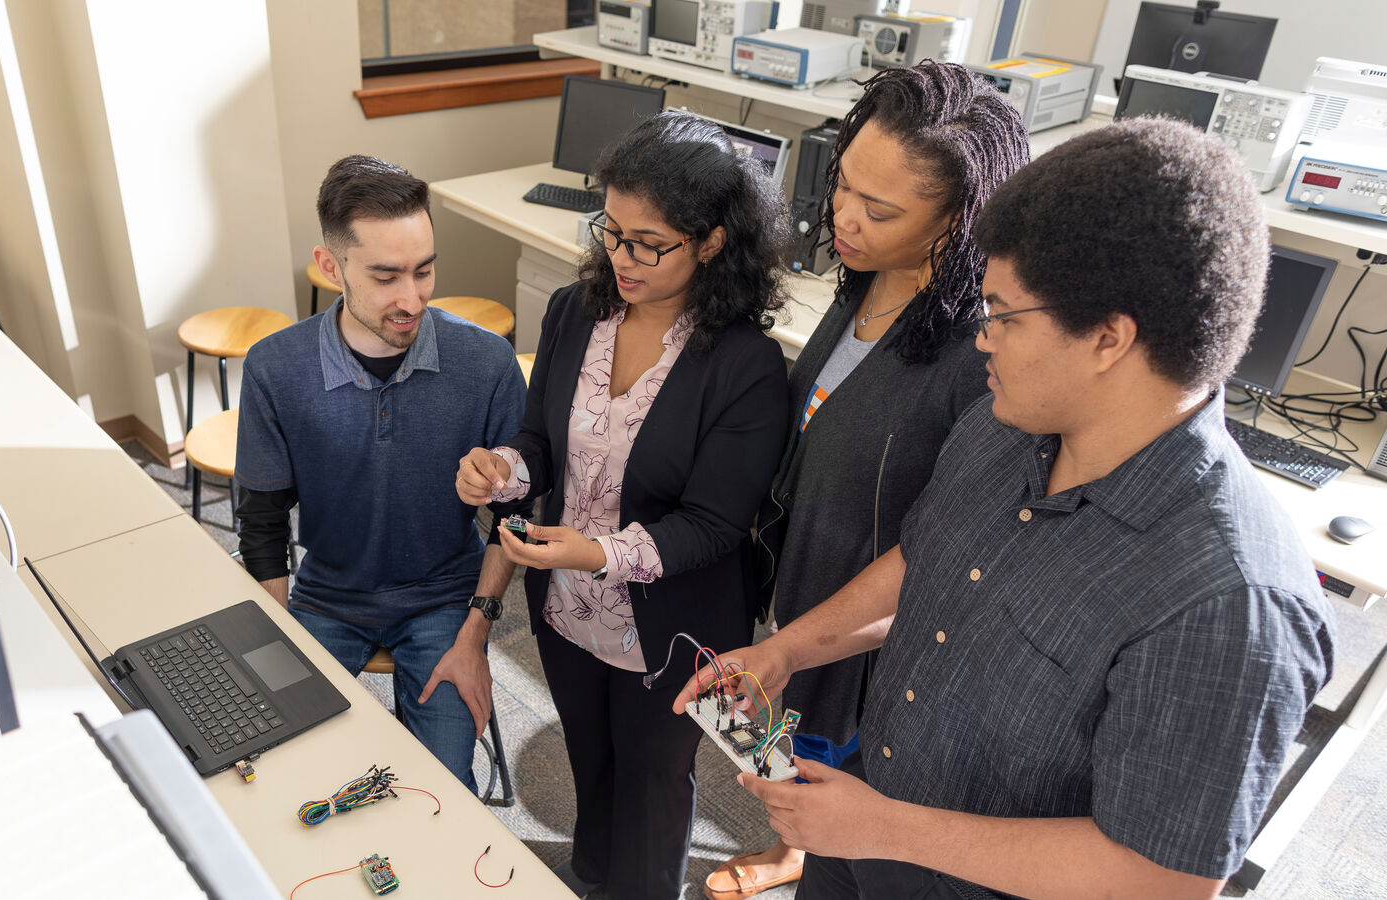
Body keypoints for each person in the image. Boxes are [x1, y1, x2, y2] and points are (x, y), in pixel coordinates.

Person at [676, 117, 1335, 900]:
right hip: (861, 839)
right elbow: (929, 560)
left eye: (1000, 313)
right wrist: (789, 651)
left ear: (1108, 339)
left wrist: (885, 827)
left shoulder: (1231, 604)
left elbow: (1162, 878)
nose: (980, 338)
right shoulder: (1004, 424)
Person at [705, 59, 1030, 900]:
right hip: (803, 594)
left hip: (873, 643)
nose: (843, 217)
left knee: (849, 803)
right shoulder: (865, 282)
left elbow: (949, 549)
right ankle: (797, 848)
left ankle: (812, 854)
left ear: (961, 218)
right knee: (793, 774)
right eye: (843, 183)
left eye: (879, 209)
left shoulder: (980, 354)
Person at [455, 110, 791, 900]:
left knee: (654, 780)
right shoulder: (580, 311)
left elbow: (712, 526)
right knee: (589, 757)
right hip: (567, 604)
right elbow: (541, 442)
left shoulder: (744, 364)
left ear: (711, 241)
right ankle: (593, 875)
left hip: (671, 622)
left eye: (650, 243)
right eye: (612, 231)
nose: (621, 257)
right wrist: (501, 469)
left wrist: (594, 551)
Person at [235, 155, 526, 793]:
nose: (411, 297)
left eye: (424, 271)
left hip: (448, 600)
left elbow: (515, 520)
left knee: (445, 790)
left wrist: (476, 635)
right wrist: (280, 641)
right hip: (324, 599)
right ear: (330, 266)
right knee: (287, 775)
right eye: (386, 275)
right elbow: (260, 523)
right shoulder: (274, 369)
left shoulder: (486, 362)